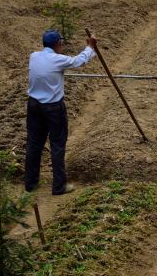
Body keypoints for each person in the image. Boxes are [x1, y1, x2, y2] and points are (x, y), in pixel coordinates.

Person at [25, 30, 97, 195]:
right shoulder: (58, 59)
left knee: (34, 143)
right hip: (53, 108)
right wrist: (90, 47)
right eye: (61, 43)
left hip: (34, 105)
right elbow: (79, 61)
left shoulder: (34, 56)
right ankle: (59, 187)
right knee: (57, 145)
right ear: (58, 44)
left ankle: (30, 184)